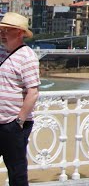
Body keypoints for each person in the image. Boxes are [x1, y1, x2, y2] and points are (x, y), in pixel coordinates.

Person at [0, 12, 40, 186]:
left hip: (13, 124)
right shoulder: (1, 53)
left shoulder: (27, 57)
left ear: (19, 33)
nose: (2, 34)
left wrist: (19, 121)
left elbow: (33, 92)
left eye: (6, 30)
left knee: (17, 173)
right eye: (1, 30)